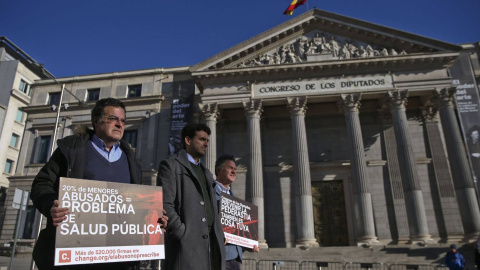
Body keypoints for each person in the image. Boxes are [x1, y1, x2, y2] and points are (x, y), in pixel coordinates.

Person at [30, 97, 168, 270]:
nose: (119, 124)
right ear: (96, 120)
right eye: (113, 119)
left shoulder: (131, 160)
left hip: (119, 260)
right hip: (76, 257)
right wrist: (51, 205)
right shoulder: (72, 149)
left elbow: (135, 207)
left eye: (123, 121)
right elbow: (41, 185)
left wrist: (154, 218)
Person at [157, 123, 225, 270]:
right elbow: (165, 204)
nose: (206, 144)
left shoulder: (207, 173)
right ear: (188, 140)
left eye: (207, 140)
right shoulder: (170, 165)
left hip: (211, 244)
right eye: (201, 139)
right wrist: (181, 233)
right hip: (187, 246)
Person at [214, 155, 259, 270]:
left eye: (235, 169)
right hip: (219, 256)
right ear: (219, 170)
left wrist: (247, 245)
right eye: (230, 168)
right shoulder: (210, 193)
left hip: (236, 258)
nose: (234, 171)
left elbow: (237, 232)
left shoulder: (234, 200)